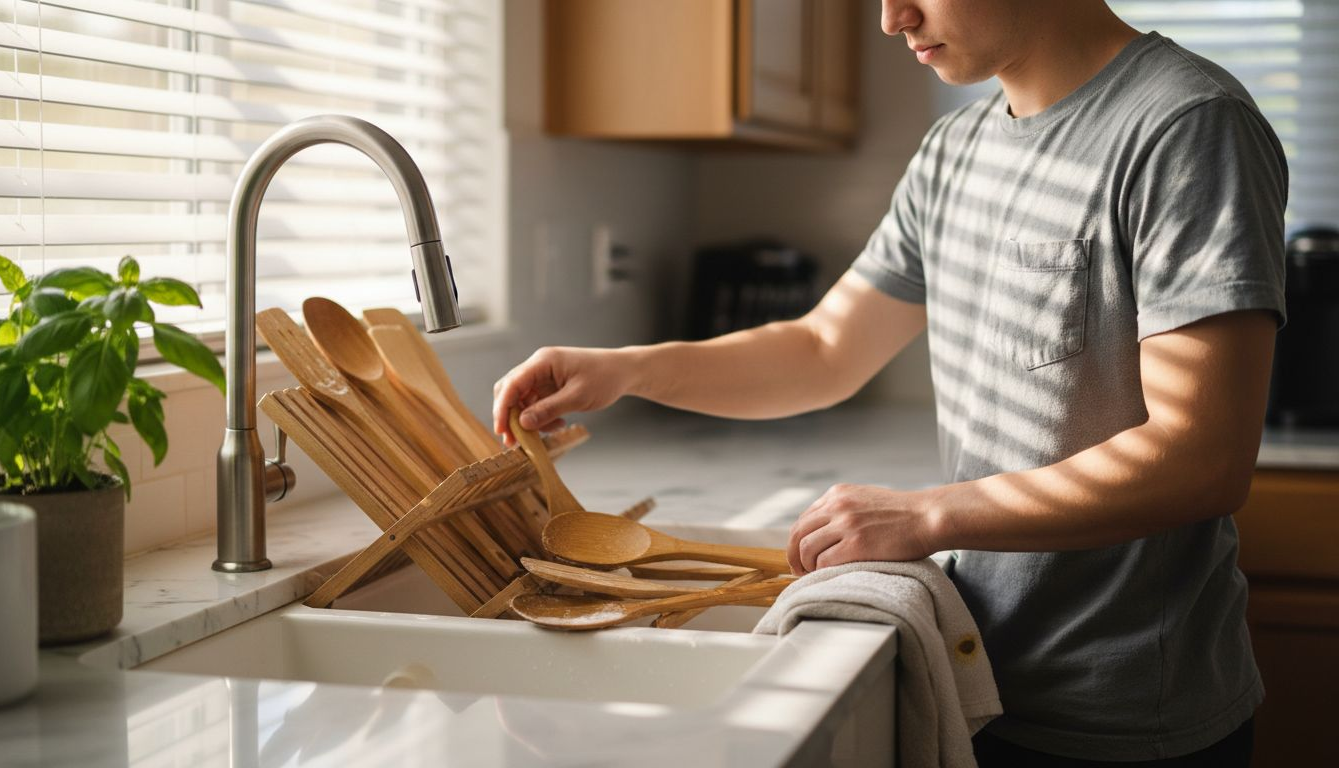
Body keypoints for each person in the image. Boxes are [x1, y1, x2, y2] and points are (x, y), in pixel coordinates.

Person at [492, 1, 1285, 765]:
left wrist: (928, 515)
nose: (890, 17)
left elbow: (1201, 456)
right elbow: (824, 349)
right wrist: (627, 368)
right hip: (978, 675)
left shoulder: (1187, 125)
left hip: (1124, 720)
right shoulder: (954, 150)